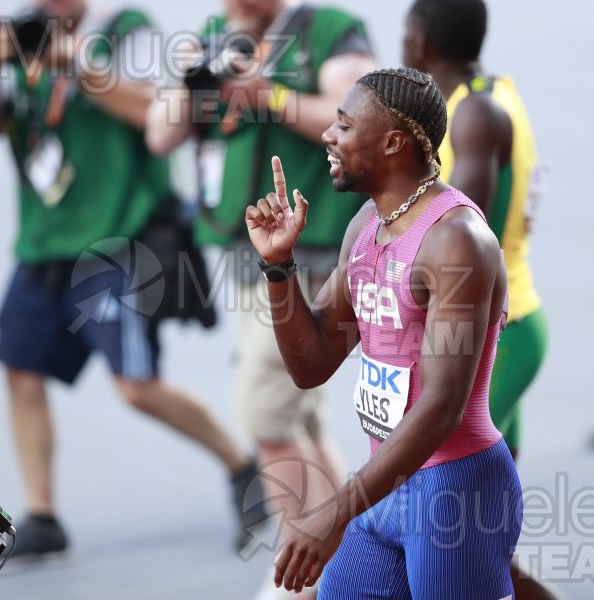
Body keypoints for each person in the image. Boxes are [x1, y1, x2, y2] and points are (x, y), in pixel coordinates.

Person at [0, 0, 265, 558]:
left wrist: (73, 63)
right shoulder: (22, 43)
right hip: (43, 243)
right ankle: (43, 512)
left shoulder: (126, 35)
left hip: (115, 241)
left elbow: (151, 112)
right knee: (20, 369)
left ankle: (242, 466)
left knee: (137, 386)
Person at [245, 67, 521, 598]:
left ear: (393, 143)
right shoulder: (366, 226)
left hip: (456, 491)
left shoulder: (457, 242)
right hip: (388, 482)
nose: (328, 134)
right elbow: (313, 363)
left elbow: (441, 408)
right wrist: (279, 268)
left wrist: (332, 513)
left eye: (345, 126)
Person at [146, 1, 376, 594]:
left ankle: (305, 576)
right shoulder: (219, 35)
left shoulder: (326, 32)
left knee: (265, 415)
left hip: (310, 256)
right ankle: (355, 560)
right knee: (298, 412)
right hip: (254, 259)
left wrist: (267, 94)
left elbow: (358, 118)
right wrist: (191, 79)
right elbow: (160, 134)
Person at [402, 2, 556, 597]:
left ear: (418, 44)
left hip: (500, 337)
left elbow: (457, 235)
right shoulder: (491, 96)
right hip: (509, 329)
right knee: (483, 545)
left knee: (438, 522)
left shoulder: (474, 116)